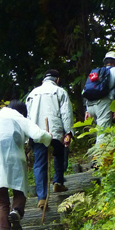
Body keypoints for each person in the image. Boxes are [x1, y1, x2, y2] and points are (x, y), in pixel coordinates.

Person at [0, 100, 52, 230]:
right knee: (20, 188)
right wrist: (49, 137)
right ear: (22, 111)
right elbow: (38, 135)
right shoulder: (18, 117)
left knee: (1, 196)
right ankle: (16, 211)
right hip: (15, 155)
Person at [26, 69, 74, 206]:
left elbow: (27, 115)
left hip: (37, 131)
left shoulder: (32, 93)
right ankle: (58, 181)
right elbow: (66, 113)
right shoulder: (60, 91)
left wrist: (28, 135)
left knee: (40, 163)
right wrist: (68, 133)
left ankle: (42, 197)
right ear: (57, 80)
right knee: (60, 153)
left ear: (43, 80)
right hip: (55, 130)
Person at [83, 50, 115, 147]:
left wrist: (86, 109)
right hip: (103, 105)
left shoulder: (95, 72)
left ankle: (101, 157)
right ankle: (98, 160)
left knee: (99, 132)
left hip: (90, 105)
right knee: (103, 133)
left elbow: (86, 89)